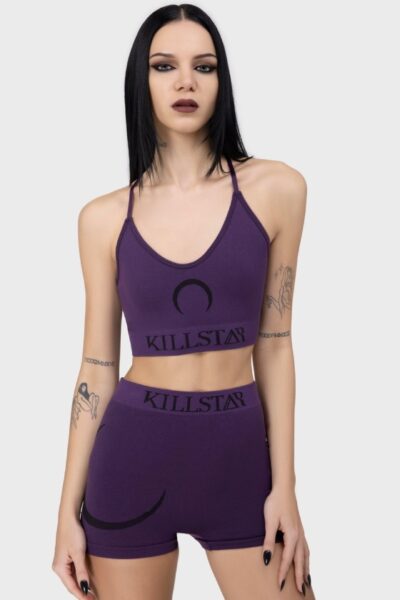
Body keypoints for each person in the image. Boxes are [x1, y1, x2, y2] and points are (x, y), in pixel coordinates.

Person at [52, 4, 315, 599]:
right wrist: (66, 511)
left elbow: (275, 345)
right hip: (132, 459)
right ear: (140, 81)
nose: (186, 82)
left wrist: (286, 487)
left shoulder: (277, 190)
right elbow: (96, 366)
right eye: (164, 66)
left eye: (204, 66)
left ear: (222, 81)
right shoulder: (102, 219)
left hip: (240, 461)